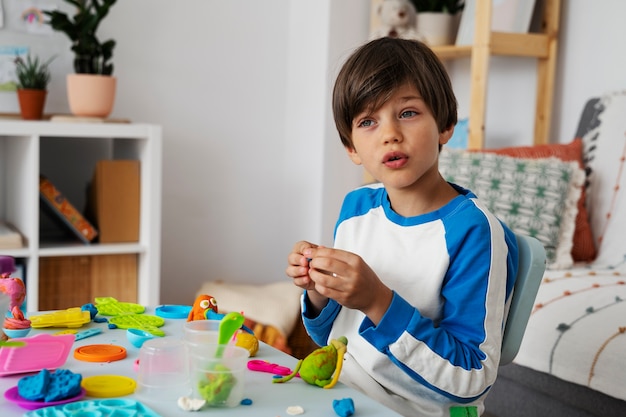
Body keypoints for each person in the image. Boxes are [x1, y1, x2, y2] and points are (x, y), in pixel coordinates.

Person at [285, 37, 519, 417]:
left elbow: (471, 378)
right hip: (343, 388)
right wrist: (318, 292)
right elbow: (331, 336)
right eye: (368, 121)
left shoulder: (473, 233)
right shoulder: (357, 207)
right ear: (352, 148)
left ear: (445, 126)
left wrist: (378, 301)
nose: (389, 133)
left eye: (408, 112)